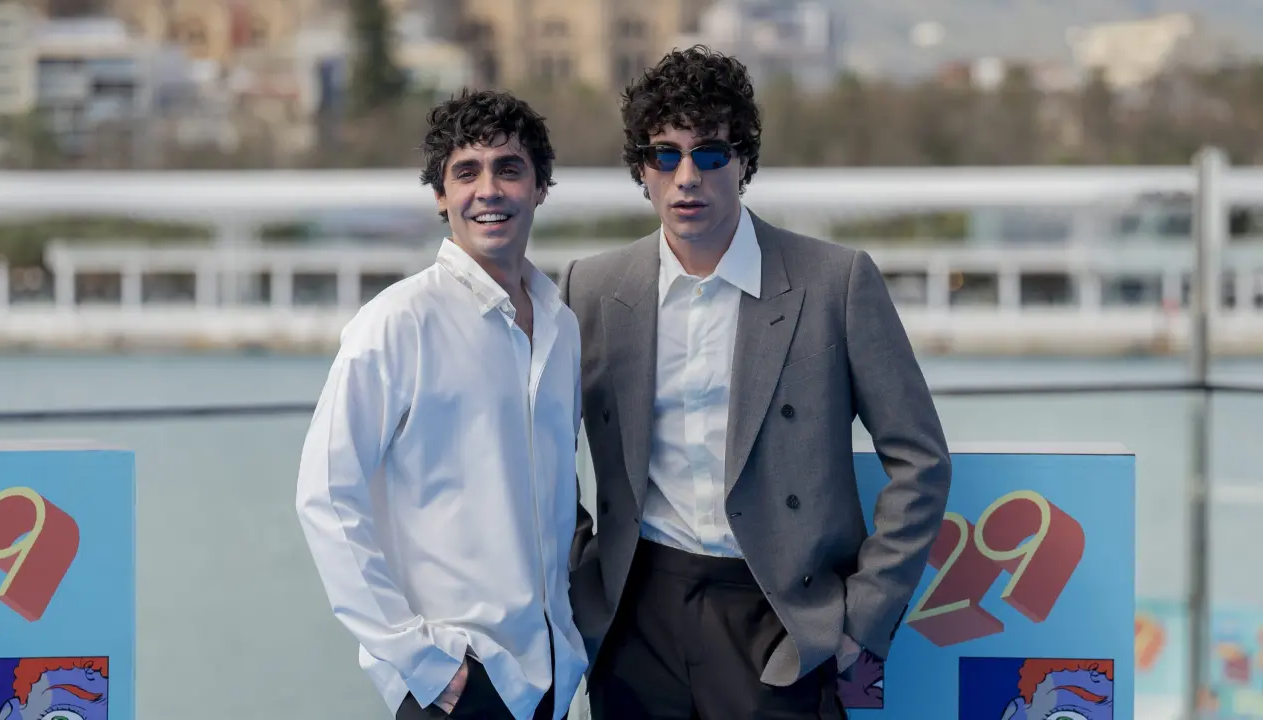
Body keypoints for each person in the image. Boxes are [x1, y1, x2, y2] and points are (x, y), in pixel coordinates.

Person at [560, 46, 952, 719]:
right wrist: (580, 578)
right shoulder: (591, 288)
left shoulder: (836, 282)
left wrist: (862, 620)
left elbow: (920, 460)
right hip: (634, 615)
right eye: (665, 155)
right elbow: (540, 455)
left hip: (782, 617)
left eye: (710, 153)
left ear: (743, 161)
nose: (687, 177)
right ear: (641, 169)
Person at [295, 88, 587, 720]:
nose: (489, 190)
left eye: (509, 169)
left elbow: (555, 495)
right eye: (467, 172)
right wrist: (418, 658)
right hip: (456, 682)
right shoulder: (397, 322)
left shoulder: (562, 327)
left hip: (552, 678)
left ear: (540, 187)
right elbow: (326, 495)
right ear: (440, 195)